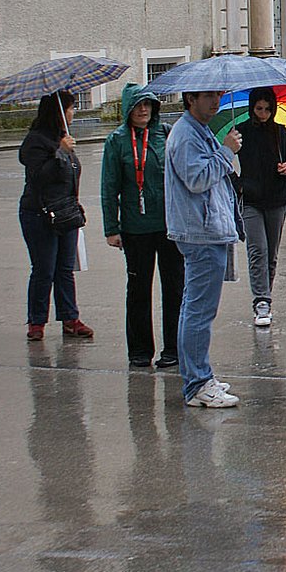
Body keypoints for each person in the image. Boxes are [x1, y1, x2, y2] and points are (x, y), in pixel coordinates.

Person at [164, 89, 243, 407]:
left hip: (208, 230)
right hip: (200, 233)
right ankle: (197, 383)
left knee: (197, 309)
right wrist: (226, 152)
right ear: (190, 100)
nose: (215, 102)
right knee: (198, 311)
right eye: (208, 96)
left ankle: (200, 376)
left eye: (218, 96)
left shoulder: (199, 131)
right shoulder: (186, 135)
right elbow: (197, 179)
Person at [100, 84, 181, 367]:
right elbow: (109, 187)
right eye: (138, 106)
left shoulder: (165, 133)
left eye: (148, 104)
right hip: (135, 228)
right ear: (128, 110)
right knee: (138, 290)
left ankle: (173, 348)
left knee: (174, 288)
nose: (143, 110)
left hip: (169, 225)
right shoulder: (117, 141)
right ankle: (139, 350)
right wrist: (112, 227)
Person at [19, 91, 92, 341]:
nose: (73, 113)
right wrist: (60, 152)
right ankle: (36, 322)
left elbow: (71, 177)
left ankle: (70, 318)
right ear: (57, 112)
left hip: (66, 214)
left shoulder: (65, 139)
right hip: (40, 214)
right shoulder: (35, 141)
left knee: (65, 269)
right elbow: (39, 177)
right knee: (44, 269)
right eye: (71, 108)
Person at [235, 87, 286, 328]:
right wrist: (238, 184)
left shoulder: (281, 132)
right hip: (251, 200)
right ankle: (261, 300)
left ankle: (266, 297)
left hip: (277, 198)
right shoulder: (240, 131)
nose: (263, 114)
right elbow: (224, 160)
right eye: (259, 109)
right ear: (252, 108)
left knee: (271, 253)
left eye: (268, 109)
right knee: (257, 249)